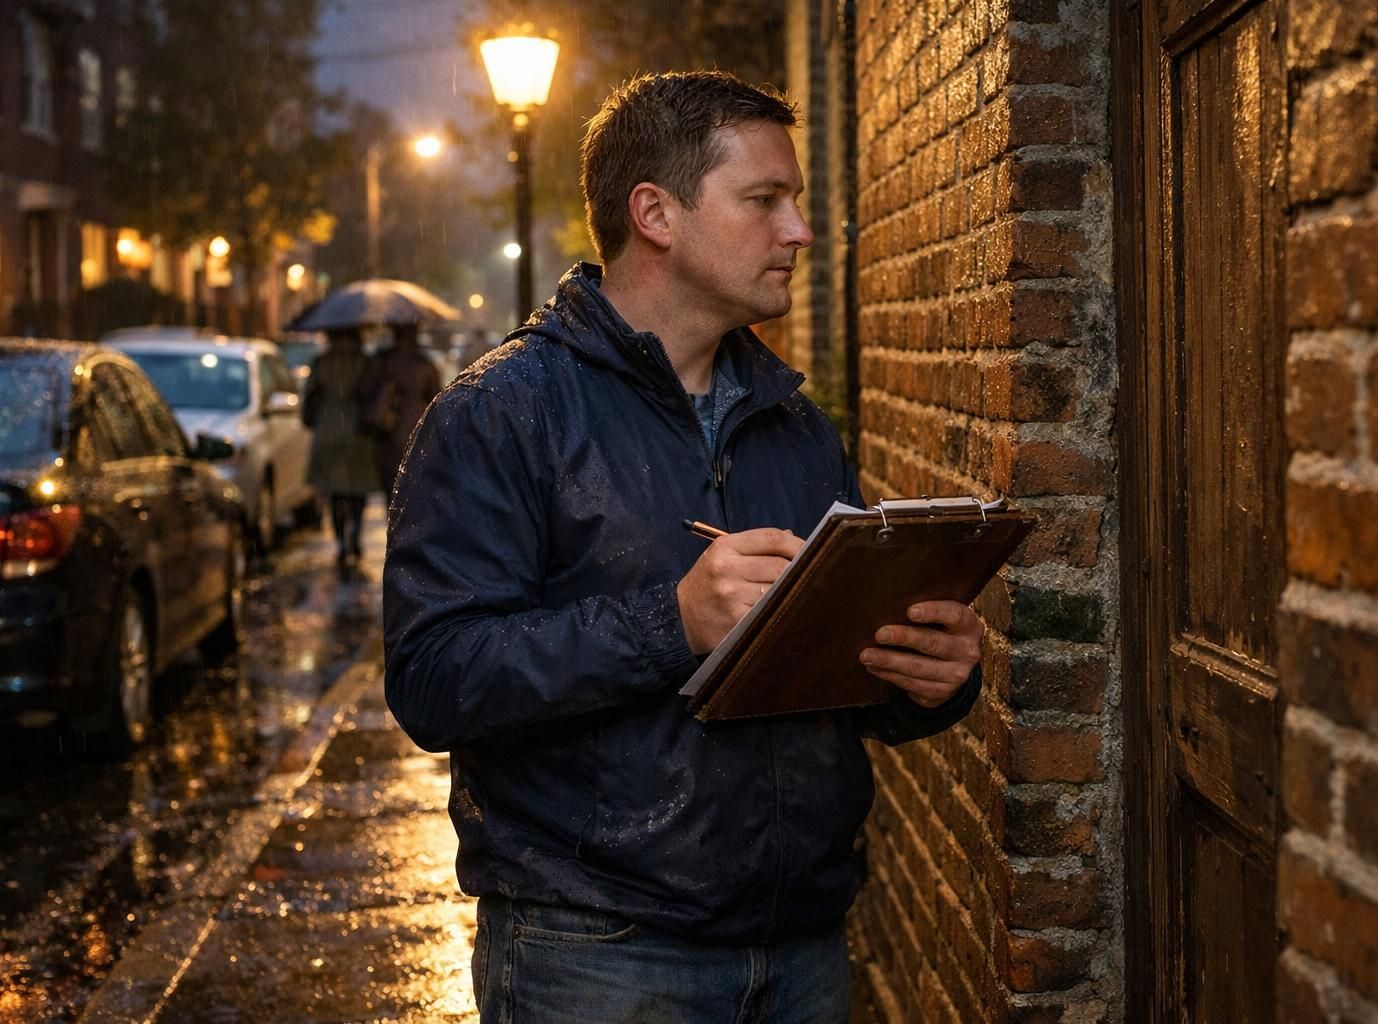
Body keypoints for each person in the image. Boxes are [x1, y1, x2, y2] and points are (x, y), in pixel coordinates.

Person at [383, 71, 985, 1023]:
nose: (799, 230)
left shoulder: (795, 425)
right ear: (655, 214)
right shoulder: (501, 413)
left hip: (804, 949)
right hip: (597, 956)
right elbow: (433, 677)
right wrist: (672, 623)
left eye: (794, 201)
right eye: (764, 200)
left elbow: (827, 679)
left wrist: (928, 681)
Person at [302, 327, 379, 567]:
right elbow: (373, 392)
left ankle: (340, 541)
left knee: (335, 492)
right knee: (357, 490)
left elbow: (309, 397)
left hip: (329, 427)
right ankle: (354, 533)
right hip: (358, 430)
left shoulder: (321, 362)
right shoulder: (365, 362)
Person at [358, 321, 441, 496]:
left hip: (386, 427)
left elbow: (363, 390)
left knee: (391, 484)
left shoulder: (381, 361)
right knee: (413, 486)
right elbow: (437, 398)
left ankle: (393, 518)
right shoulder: (424, 363)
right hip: (416, 427)